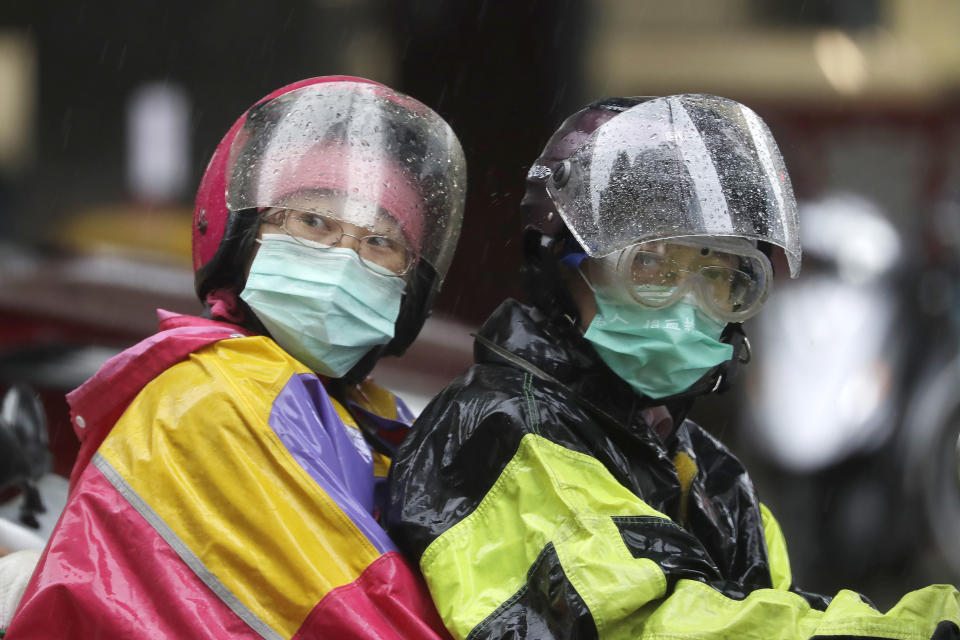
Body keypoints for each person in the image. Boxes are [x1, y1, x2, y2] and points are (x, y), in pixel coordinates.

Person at [385, 94, 960, 639]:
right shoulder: (501, 430)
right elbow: (646, 622)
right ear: (563, 267)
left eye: (723, 279)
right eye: (654, 267)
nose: (689, 303)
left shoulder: (710, 474)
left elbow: (767, 611)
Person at [7, 76, 466, 639]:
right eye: (313, 222)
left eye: (379, 243)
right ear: (245, 235)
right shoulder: (211, 400)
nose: (343, 261)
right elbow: (360, 620)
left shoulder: (374, 419)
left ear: (409, 285)